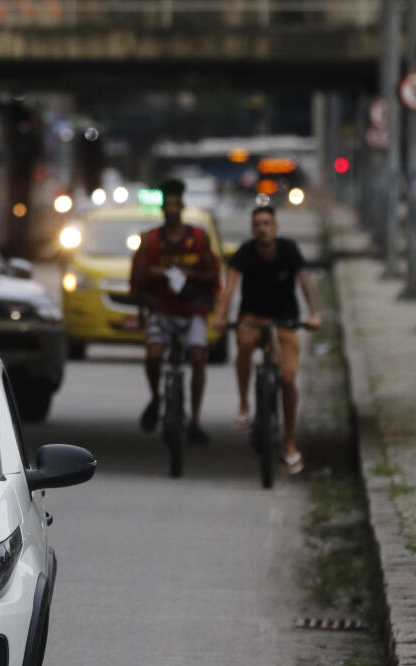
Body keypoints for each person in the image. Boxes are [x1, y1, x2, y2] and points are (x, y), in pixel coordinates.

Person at [210, 205, 321, 474]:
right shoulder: (245, 253)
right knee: (244, 343)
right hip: (253, 319)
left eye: (267, 223)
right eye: (258, 224)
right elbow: (229, 288)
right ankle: (245, 405)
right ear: (252, 229)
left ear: (276, 226)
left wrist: (315, 314)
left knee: (288, 378)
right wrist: (221, 316)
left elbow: (306, 282)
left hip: (285, 323)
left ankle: (290, 441)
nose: (263, 228)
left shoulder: (289, 250)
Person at [129, 178, 221, 444]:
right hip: (161, 309)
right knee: (154, 355)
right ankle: (156, 396)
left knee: (197, 356)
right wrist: (156, 274)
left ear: (182, 206)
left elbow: (213, 274)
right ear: (162, 209)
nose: (171, 210)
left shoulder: (198, 237)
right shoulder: (150, 240)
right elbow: (136, 277)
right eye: (166, 205)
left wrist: (190, 274)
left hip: (192, 311)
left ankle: (194, 419)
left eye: (175, 205)